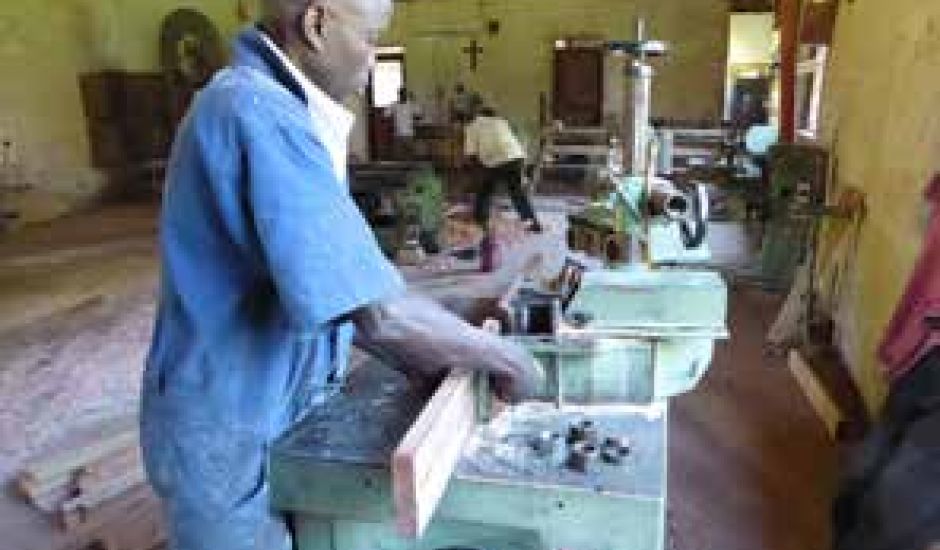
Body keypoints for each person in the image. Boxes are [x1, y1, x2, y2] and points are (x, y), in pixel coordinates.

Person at [139, 1, 543, 549]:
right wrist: (510, 359)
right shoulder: (256, 112)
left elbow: (341, 286)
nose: (373, 58)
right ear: (316, 25)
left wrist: (453, 317)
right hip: (230, 433)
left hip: (269, 410)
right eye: (371, 38)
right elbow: (379, 315)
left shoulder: (274, 106)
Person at [464, 105, 542, 233]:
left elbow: (471, 153)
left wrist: (477, 173)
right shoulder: (501, 122)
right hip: (516, 157)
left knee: (485, 191)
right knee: (517, 193)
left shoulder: (473, 126)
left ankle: (480, 220)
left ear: (477, 115)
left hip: (495, 159)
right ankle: (533, 224)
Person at [386, 87, 421, 159]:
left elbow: (419, 115)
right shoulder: (394, 104)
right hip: (398, 134)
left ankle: (409, 165)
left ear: (406, 95)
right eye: (401, 94)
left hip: (409, 133)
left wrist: (414, 121)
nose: (402, 96)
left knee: (410, 155)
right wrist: (390, 124)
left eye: (404, 94)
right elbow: (386, 114)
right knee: (398, 155)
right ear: (398, 95)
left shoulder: (411, 104)